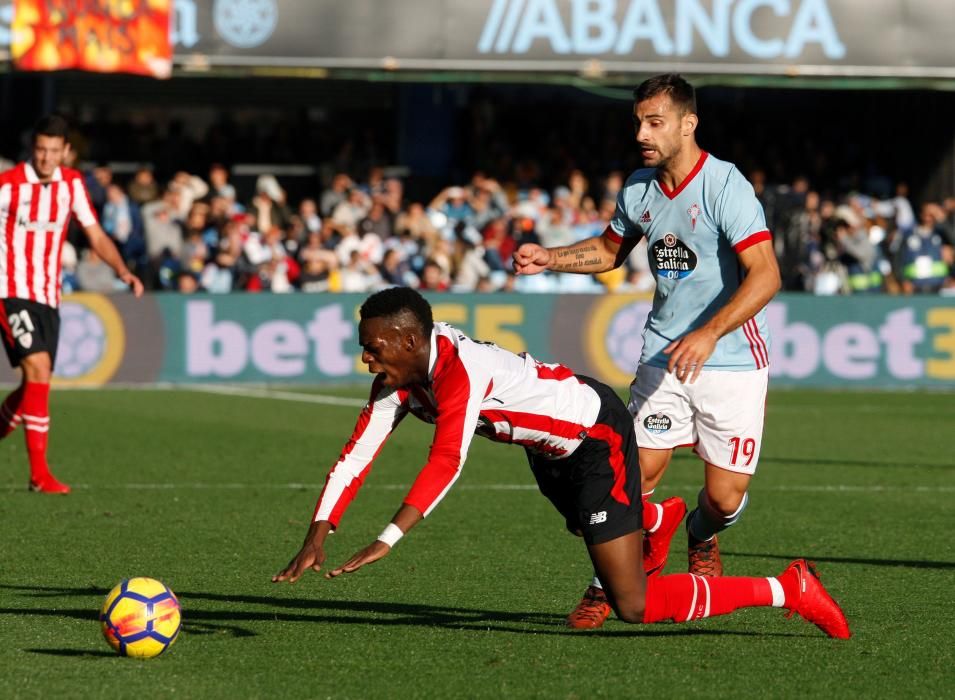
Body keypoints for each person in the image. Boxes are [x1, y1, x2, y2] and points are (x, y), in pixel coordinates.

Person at [273, 288, 848, 640]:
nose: (365, 355)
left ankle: (786, 588)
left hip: (597, 434)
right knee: (587, 527)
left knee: (633, 604)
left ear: (407, 339)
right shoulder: (396, 383)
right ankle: (650, 521)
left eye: (373, 346)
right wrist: (318, 532)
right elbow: (355, 457)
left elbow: (447, 460)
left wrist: (389, 537)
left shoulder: (460, 370)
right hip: (547, 451)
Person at [512, 74, 782, 628]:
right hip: (662, 357)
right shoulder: (639, 188)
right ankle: (604, 585)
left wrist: (709, 333)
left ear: (688, 124)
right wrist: (551, 258)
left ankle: (701, 535)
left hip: (730, 360)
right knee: (633, 477)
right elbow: (610, 251)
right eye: (638, 121)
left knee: (725, 498)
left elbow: (766, 276)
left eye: (655, 122)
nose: (642, 132)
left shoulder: (725, 186)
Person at [0, 115, 144, 493]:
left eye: (53, 151)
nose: (46, 158)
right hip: (9, 288)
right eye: (40, 150)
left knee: (36, 381)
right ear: (33, 149)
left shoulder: (72, 184)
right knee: (38, 368)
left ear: (66, 151)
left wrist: (122, 270)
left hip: (49, 294)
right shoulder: (8, 185)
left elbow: (95, 233)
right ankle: (38, 474)